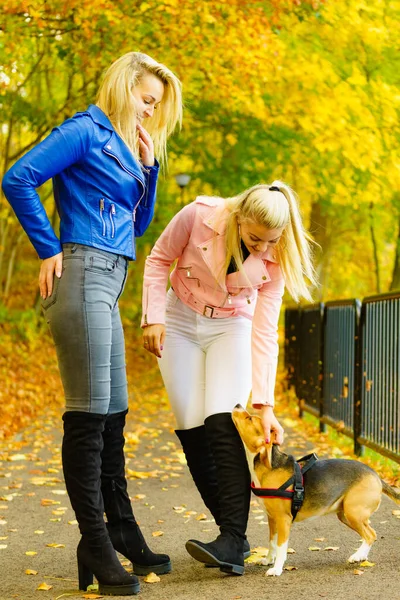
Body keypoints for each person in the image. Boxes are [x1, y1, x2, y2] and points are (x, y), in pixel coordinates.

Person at [2, 52, 182, 596]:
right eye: (145, 99)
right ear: (123, 86)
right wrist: (46, 246)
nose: (149, 112)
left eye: (156, 105)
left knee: (114, 414)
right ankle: (97, 541)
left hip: (110, 279)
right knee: (88, 417)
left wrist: (147, 171)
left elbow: (137, 224)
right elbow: (18, 178)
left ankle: (118, 529)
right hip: (80, 272)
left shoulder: (126, 147)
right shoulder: (85, 130)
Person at [141, 182, 317, 576]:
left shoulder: (276, 257)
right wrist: (153, 316)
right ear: (239, 218)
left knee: (222, 421)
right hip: (181, 319)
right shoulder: (199, 215)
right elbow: (157, 260)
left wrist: (265, 405)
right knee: (191, 428)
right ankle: (232, 538)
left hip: (232, 326)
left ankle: (231, 539)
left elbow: (265, 330)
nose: (262, 249)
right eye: (255, 238)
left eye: (271, 241)